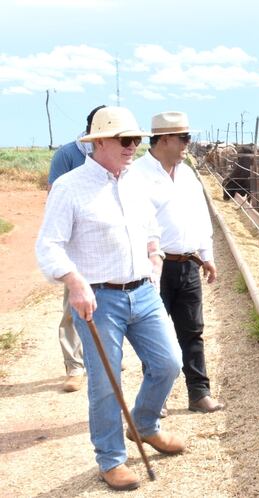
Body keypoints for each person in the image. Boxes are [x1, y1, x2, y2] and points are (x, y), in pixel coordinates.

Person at [36, 106, 184, 491]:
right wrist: (74, 281)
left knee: (169, 362)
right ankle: (111, 459)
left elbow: (149, 226)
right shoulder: (70, 187)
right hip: (99, 299)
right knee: (105, 381)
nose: (133, 146)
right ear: (98, 141)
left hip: (142, 291)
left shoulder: (135, 181)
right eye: (125, 140)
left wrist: (155, 254)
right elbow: (48, 246)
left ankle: (145, 424)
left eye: (137, 139)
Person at [133, 111, 224, 413]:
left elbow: (200, 217)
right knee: (155, 336)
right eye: (184, 138)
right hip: (153, 268)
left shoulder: (187, 174)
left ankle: (199, 393)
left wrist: (206, 256)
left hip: (187, 264)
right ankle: (155, 398)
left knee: (192, 330)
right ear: (165, 139)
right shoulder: (136, 175)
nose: (189, 143)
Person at [47, 105, 105, 392]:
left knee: (106, 303)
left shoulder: (115, 156)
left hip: (105, 243)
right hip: (76, 244)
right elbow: (54, 198)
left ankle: (103, 357)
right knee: (73, 306)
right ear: (93, 129)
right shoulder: (68, 155)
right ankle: (74, 366)